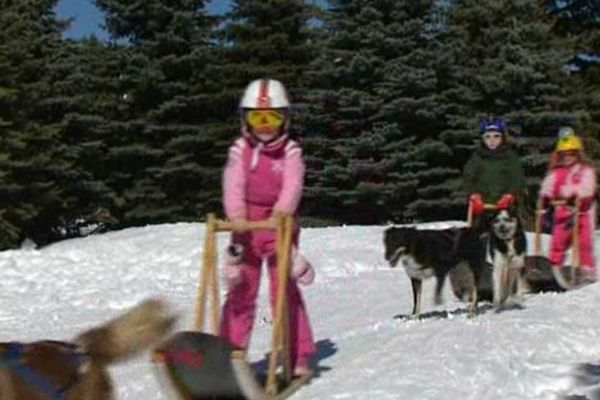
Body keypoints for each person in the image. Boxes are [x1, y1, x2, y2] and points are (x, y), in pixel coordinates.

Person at [220, 78, 316, 376]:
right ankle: (229, 354)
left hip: (279, 226)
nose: (264, 125)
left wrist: (281, 212)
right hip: (246, 226)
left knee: (283, 291)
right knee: (240, 291)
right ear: (245, 119)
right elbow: (233, 181)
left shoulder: (290, 151)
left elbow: (293, 184)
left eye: (271, 117)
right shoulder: (240, 149)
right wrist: (236, 215)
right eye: (257, 117)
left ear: (283, 119)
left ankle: (298, 354)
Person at [539, 127, 597, 286]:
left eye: (571, 154)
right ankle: (554, 269)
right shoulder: (556, 173)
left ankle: (587, 271)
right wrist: (546, 197)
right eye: (564, 155)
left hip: (582, 213)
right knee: (558, 242)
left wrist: (573, 192)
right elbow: (548, 187)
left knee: (584, 243)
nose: (567, 157)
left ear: (577, 154)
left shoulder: (585, 171)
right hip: (562, 213)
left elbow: (588, 188)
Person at [464, 117, 526, 216]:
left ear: (502, 138)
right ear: (483, 139)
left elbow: (517, 178)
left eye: (496, 136)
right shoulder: (477, 156)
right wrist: (473, 194)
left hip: (505, 207)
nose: (492, 140)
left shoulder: (510, 156)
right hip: (481, 205)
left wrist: (510, 194)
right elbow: (468, 177)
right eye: (487, 137)